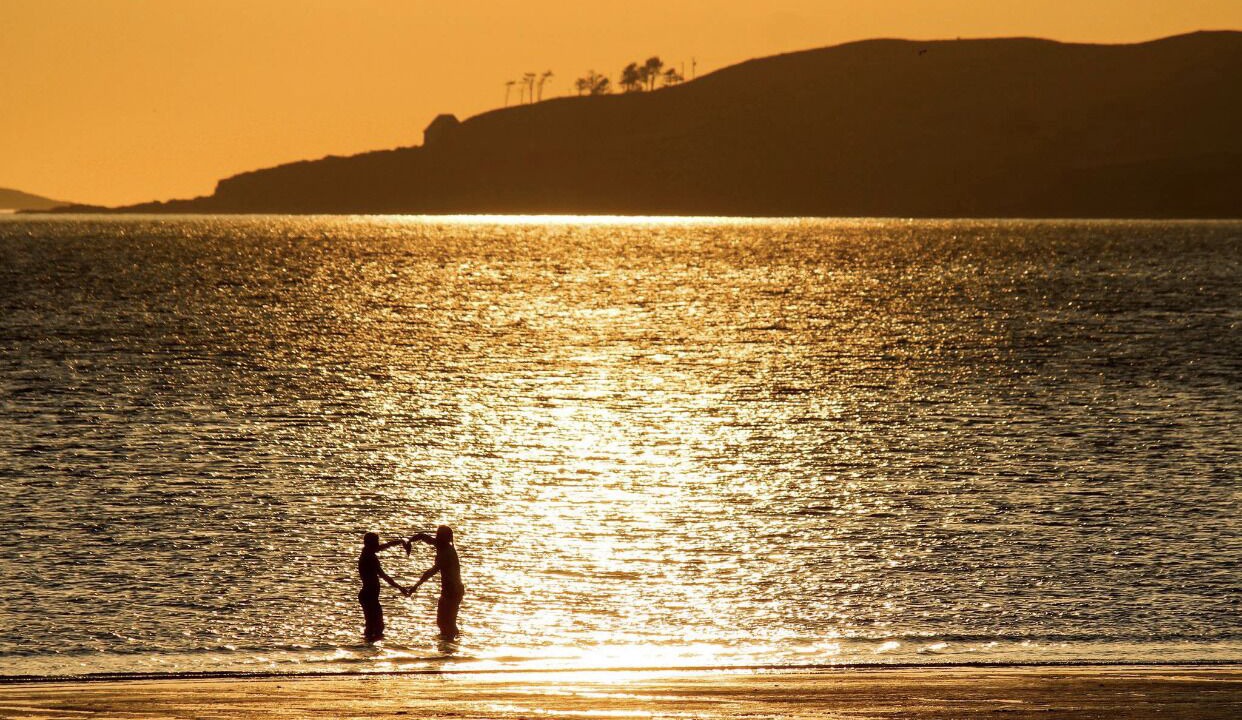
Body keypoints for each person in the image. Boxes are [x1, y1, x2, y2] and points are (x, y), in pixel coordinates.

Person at [405, 525, 464, 640]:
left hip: (453, 592)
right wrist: (410, 540)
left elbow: (431, 572)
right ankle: (448, 647)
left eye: (439, 536)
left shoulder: (447, 553)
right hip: (448, 591)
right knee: (442, 622)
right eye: (437, 535)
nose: (436, 538)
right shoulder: (441, 545)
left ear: (446, 538)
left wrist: (415, 586)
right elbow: (423, 537)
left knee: (448, 623)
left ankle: (451, 647)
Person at [357, 532, 411, 643]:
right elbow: (383, 576)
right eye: (376, 542)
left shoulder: (367, 551)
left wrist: (400, 542)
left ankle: (368, 647)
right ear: (370, 543)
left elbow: (383, 547)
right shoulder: (370, 558)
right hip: (369, 596)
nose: (378, 544)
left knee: (373, 625)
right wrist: (400, 587)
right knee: (376, 626)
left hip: (370, 596)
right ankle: (368, 648)